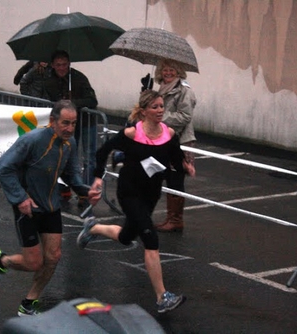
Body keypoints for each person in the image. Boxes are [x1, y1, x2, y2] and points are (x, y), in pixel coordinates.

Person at [77, 90, 186, 314]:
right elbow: (102, 151)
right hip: (129, 192)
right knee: (150, 238)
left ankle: (93, 227)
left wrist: (185, 167)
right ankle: (162, 297)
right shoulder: (131, 134)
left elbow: (175, 158)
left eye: (161, 106)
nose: (159, 111)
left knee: (127, 237)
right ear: (144, 111)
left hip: (151, 194)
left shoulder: (169, 133)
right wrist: (98, 178)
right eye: (155, 107)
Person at [0, 100, 94, 316]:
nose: (70, 128)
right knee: (33, 262)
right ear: (53, 121)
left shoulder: (70, 142)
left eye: (73, 123)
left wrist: (86, 191)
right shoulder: (32, 140)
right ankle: (1, 261)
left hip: (51, 206)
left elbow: (71, 174)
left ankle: (29, 302)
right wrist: (20, 198)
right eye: (65, 123)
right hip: (28, 207)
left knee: (53, 257)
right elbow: (3, 167)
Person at [42, 50, 98, 205]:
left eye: (65, 64)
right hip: (65, 126)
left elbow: (92, 100)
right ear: (52, 65)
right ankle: (65, 187)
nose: (62, 68)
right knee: (64, 155)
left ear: (69, 64)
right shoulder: (48, 82)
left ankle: (85, 192)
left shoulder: (79, 78)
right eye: (58, 65)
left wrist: (73, 104)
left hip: (86, 122)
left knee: (89, 158)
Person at [153, 58, 197, 233]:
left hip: (180, 140)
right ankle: (171, 217)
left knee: (176, 178)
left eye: (172, 70)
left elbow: (185, 116)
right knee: (167, 176)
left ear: (179, 72)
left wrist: (160, 116)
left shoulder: (184, 91)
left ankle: (176, 219)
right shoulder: (161, 89)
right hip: (164, 139)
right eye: (165, 70)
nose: (168, 73)